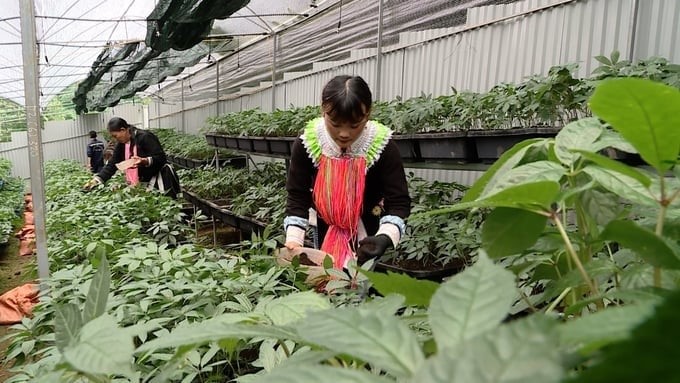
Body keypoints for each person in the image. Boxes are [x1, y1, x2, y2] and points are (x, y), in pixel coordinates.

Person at [284, 75, 411, 270]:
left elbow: (399, 201)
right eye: (335, 124)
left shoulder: (382, 146)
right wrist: (294, 239)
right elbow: (297, 195)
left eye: (354, 125)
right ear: (323, 111)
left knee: (360, 286)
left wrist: (385, 237)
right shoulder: (308, 144)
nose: (344, 134)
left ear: (367, 114)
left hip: (368, 234)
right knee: (324, 279)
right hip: (325, 228)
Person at [83, 117, 180, 198]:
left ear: (123, 130)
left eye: (115, 136)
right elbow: (112, 164)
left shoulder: (144, 137)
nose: (114, 139)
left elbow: (161, 158)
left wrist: (145, 161)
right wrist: (96, 180)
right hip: (144, 181)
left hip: (160, 179)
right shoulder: (121, 144)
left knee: (164, 207)